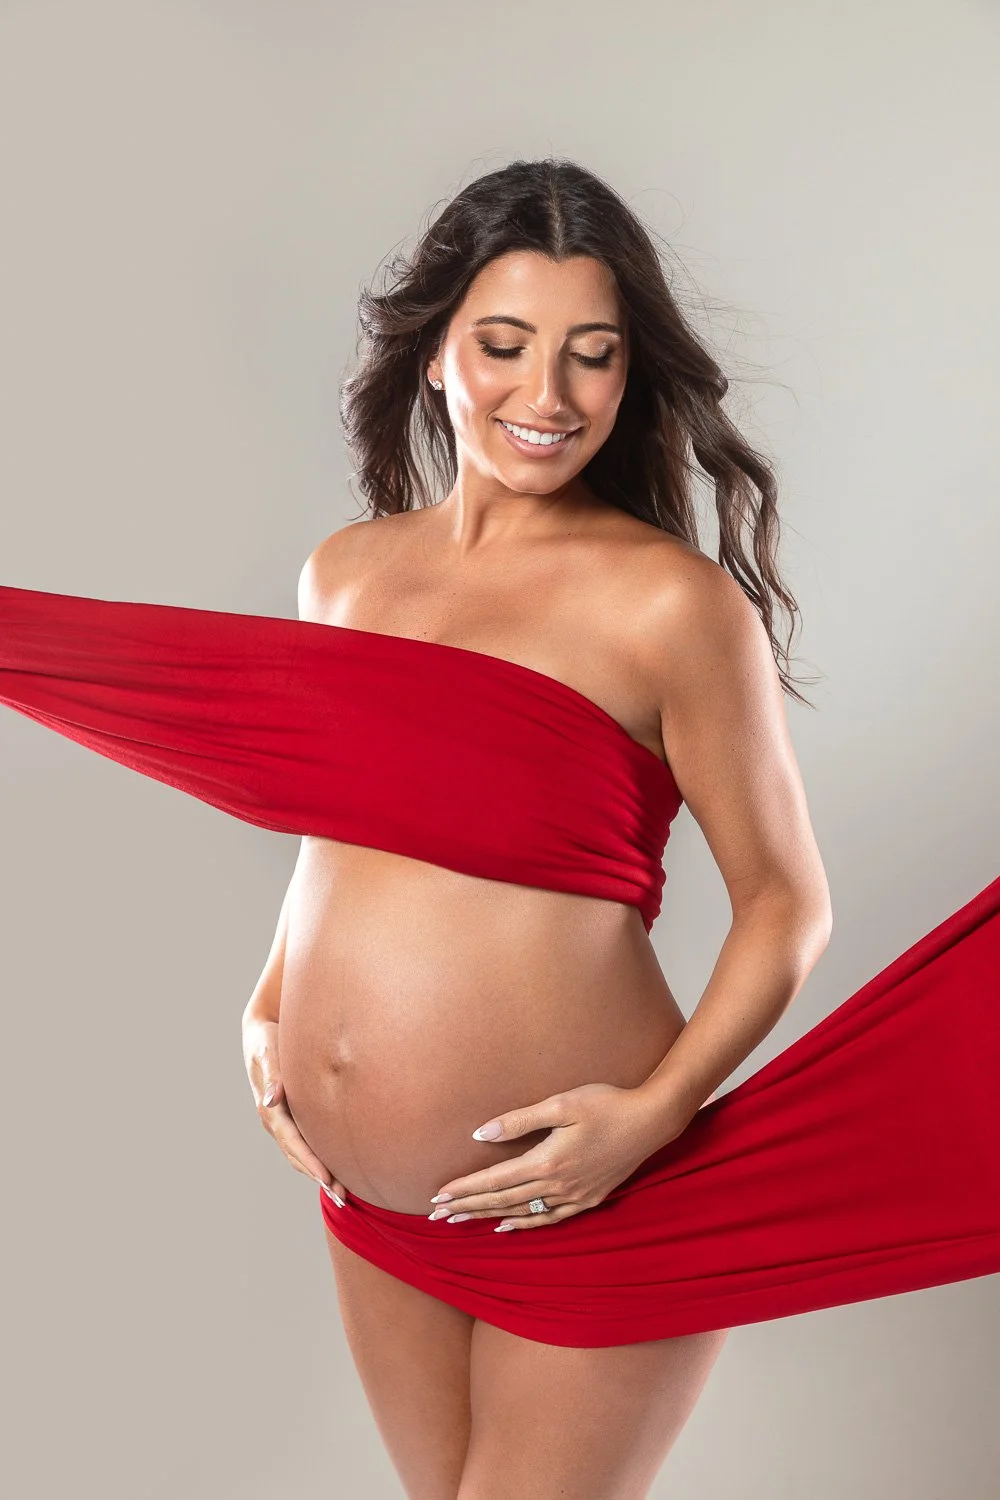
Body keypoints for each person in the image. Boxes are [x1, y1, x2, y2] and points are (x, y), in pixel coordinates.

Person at [240, 157, 832, 1499]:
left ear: (629, 377)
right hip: (370, 1200)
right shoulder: (343, 573)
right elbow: (339, 830)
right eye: (504, 346)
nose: (547, 396)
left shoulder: (672, 607)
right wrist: (272, 997)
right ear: (438, 351)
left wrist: (653, 1116)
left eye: (592, 357)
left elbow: (789, 906)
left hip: (593, 1188)